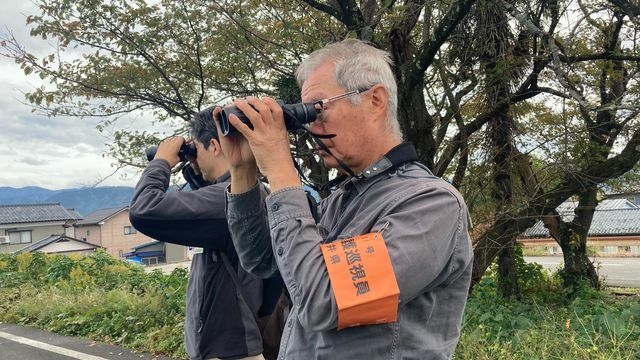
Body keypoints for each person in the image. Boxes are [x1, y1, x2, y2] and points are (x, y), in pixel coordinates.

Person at [218, 38, 473, 359]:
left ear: (375, 100)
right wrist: (242, 172)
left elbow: (323, 301)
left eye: (318, 108)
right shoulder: (341, 201)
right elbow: (262, 260)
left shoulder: (431, 204)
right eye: (307, 115)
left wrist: (280, 169)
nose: (311, 126)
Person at [129, 110, 281, 360]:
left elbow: (144, 210)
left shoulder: (226, 199)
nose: (193, 156)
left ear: (214, 145)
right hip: (237, 343)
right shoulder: (247, 194)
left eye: (196, 148)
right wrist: (194, 165)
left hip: (229, 348)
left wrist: (162, 162)